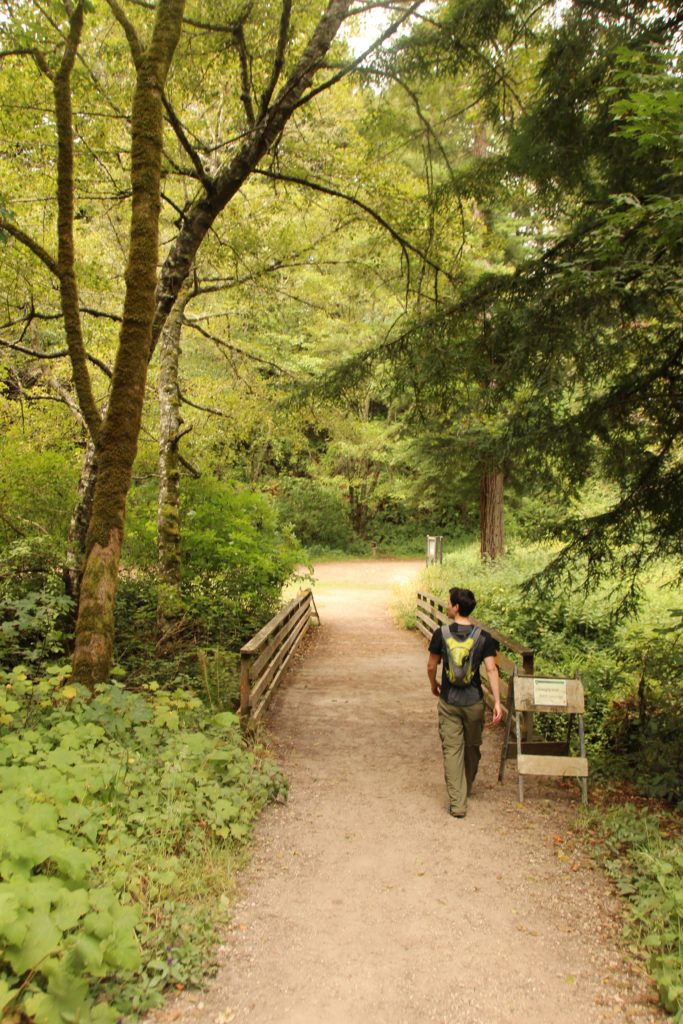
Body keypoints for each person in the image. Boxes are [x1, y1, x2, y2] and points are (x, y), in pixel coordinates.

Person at [427, 586, 503, 818]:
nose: (447, 606)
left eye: (449, 603)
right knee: (472, 747)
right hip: (474, 703)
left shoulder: (441, 634)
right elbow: (491, 670)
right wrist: (497, 702)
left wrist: (434, 684)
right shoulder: (484, 638)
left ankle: (458, 801)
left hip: (449, 701)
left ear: (457, 607)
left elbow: (431, 665)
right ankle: (465, 788)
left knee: (452, 750)